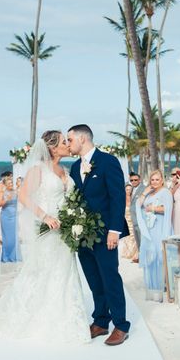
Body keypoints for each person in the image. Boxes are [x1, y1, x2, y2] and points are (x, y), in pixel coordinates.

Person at [0, 130, 91, 344]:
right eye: (63, 142)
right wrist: (44, 216)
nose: (68, 145)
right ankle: (36, 319)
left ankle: (65, 317)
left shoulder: (65, 170)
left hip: (65, 230)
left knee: (65, 273)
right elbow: (23, 195)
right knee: (44, 272)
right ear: (52, 148)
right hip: (48, 229)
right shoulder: (38, 169)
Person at [67, 124, 130, 346]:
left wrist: (114, 230)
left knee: (110, 277)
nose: (68, 144)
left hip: (105, 234)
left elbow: (117, 197)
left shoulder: (108, 162)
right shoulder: (75, 168)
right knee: (93, 279)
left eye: (70, 140)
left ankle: (121, 325)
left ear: (83, 139)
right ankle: (101, 321)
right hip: (83, 235)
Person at [136, 170, 173, 302]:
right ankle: (151, 289)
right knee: (150, 258)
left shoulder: (166, 193)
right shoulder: (150, 193)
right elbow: (138, 204)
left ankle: (160, 289)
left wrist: (153, 209)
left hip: (160, 228)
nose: (155, 182)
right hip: (150, 230)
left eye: (157, 179)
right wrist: (145, 192)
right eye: (152, 180)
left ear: (162, 180)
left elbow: (168, 209)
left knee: (159, 257)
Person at [0, 176, 20, 262]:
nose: (11, 184)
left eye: (11, 183)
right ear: (5, 185)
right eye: (9, 183)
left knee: (14, 237)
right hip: (5, 217)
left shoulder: (16, 192)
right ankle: (6, 257)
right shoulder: (2, 193)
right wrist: (7, 199)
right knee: (7, 238)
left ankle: (14, 256)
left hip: (14, 216)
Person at [128, 172, 145, 260]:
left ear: (140, 180)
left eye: (135, 180)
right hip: (133, 219)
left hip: (141, 219)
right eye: (131, 180)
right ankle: (140, 256)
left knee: (142, 240)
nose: (133, 182)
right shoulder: (131, 189)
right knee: (138, 240)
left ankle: (144, 257)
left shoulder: (144, 189)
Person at [120, 183, 138, 260]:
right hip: (126, 220)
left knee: (134, 237)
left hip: (133, 220)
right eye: (127, 189)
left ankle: (135, 254)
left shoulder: (134, 199)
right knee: (127, 237)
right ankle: (128, 253)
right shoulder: (122, 200)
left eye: (130, 189)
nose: (128, 191)